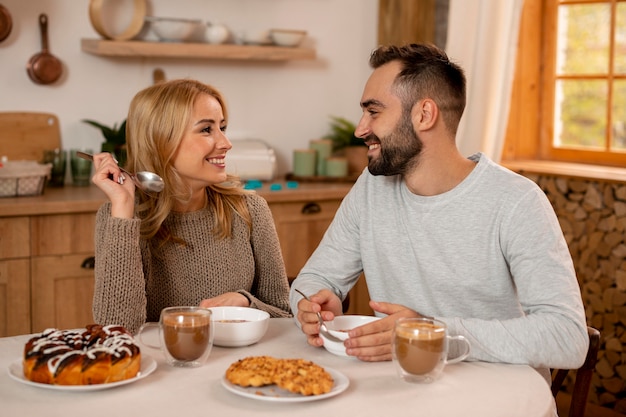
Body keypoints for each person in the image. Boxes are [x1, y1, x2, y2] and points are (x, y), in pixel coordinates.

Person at [289, 43, 588, 381]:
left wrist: (430, 333)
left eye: (374, 112)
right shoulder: (371, 189)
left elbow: (567, 337)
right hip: (404, 390)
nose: (360, 128)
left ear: (424, 115)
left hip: (497, 398)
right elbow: (315, 279)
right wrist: (312, 305)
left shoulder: (516, 201)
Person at [91, 79, 291, 334]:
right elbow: (116, 330)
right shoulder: (119, 216)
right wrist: (123, 210)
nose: (226, 143)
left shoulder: (250, 209)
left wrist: (246, 302)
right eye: (206, 130)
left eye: (222, 127)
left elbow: (284, 312)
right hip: (162, 367)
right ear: (162, 141)